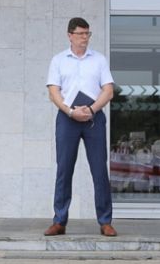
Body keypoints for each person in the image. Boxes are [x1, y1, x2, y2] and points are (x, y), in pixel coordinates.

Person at [44, 17, 117, 237]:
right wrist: (70, 111)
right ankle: (59, 221)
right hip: (67, 118)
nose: (85, 38)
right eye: (81, 34)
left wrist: (91, 109)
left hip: (94, 118)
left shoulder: (99, 60)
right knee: (64, 169)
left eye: (87, 34)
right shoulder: (58, 60)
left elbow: (108, 91)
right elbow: (54, 92)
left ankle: (105, 221)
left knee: (99, 170)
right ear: (70, 35)